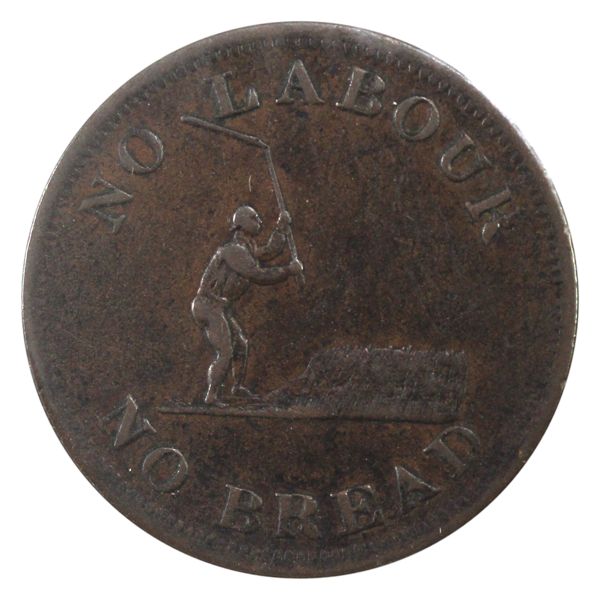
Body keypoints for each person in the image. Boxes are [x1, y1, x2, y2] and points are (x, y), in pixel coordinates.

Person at [191, 205, 303, 405]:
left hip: (219, 307)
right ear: (241, 225)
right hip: (207, 306)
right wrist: (288, 270)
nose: (259, 221)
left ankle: (235, 389)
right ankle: (211, 395)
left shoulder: (247, 249)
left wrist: (281, 228)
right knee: (225, 351)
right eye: (254, 218)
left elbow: (268, 252)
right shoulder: (234, 251)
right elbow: (257, 275)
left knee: (241, 346)